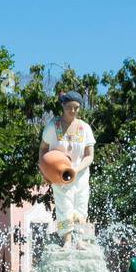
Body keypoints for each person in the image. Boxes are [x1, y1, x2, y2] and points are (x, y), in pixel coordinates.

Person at [39, 91, 96, 243]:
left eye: (76, 108)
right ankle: (67, 240)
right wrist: (44, 170)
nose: (73, 111)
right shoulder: (53, 126)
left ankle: (80, 240)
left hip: (81, 175)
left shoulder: (85, 128)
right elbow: (43, 149)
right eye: (69, 107)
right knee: (64, 207)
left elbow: (89, 155)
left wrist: (77, 169)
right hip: (59, 175)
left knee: (81, 206)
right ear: (63, 106)